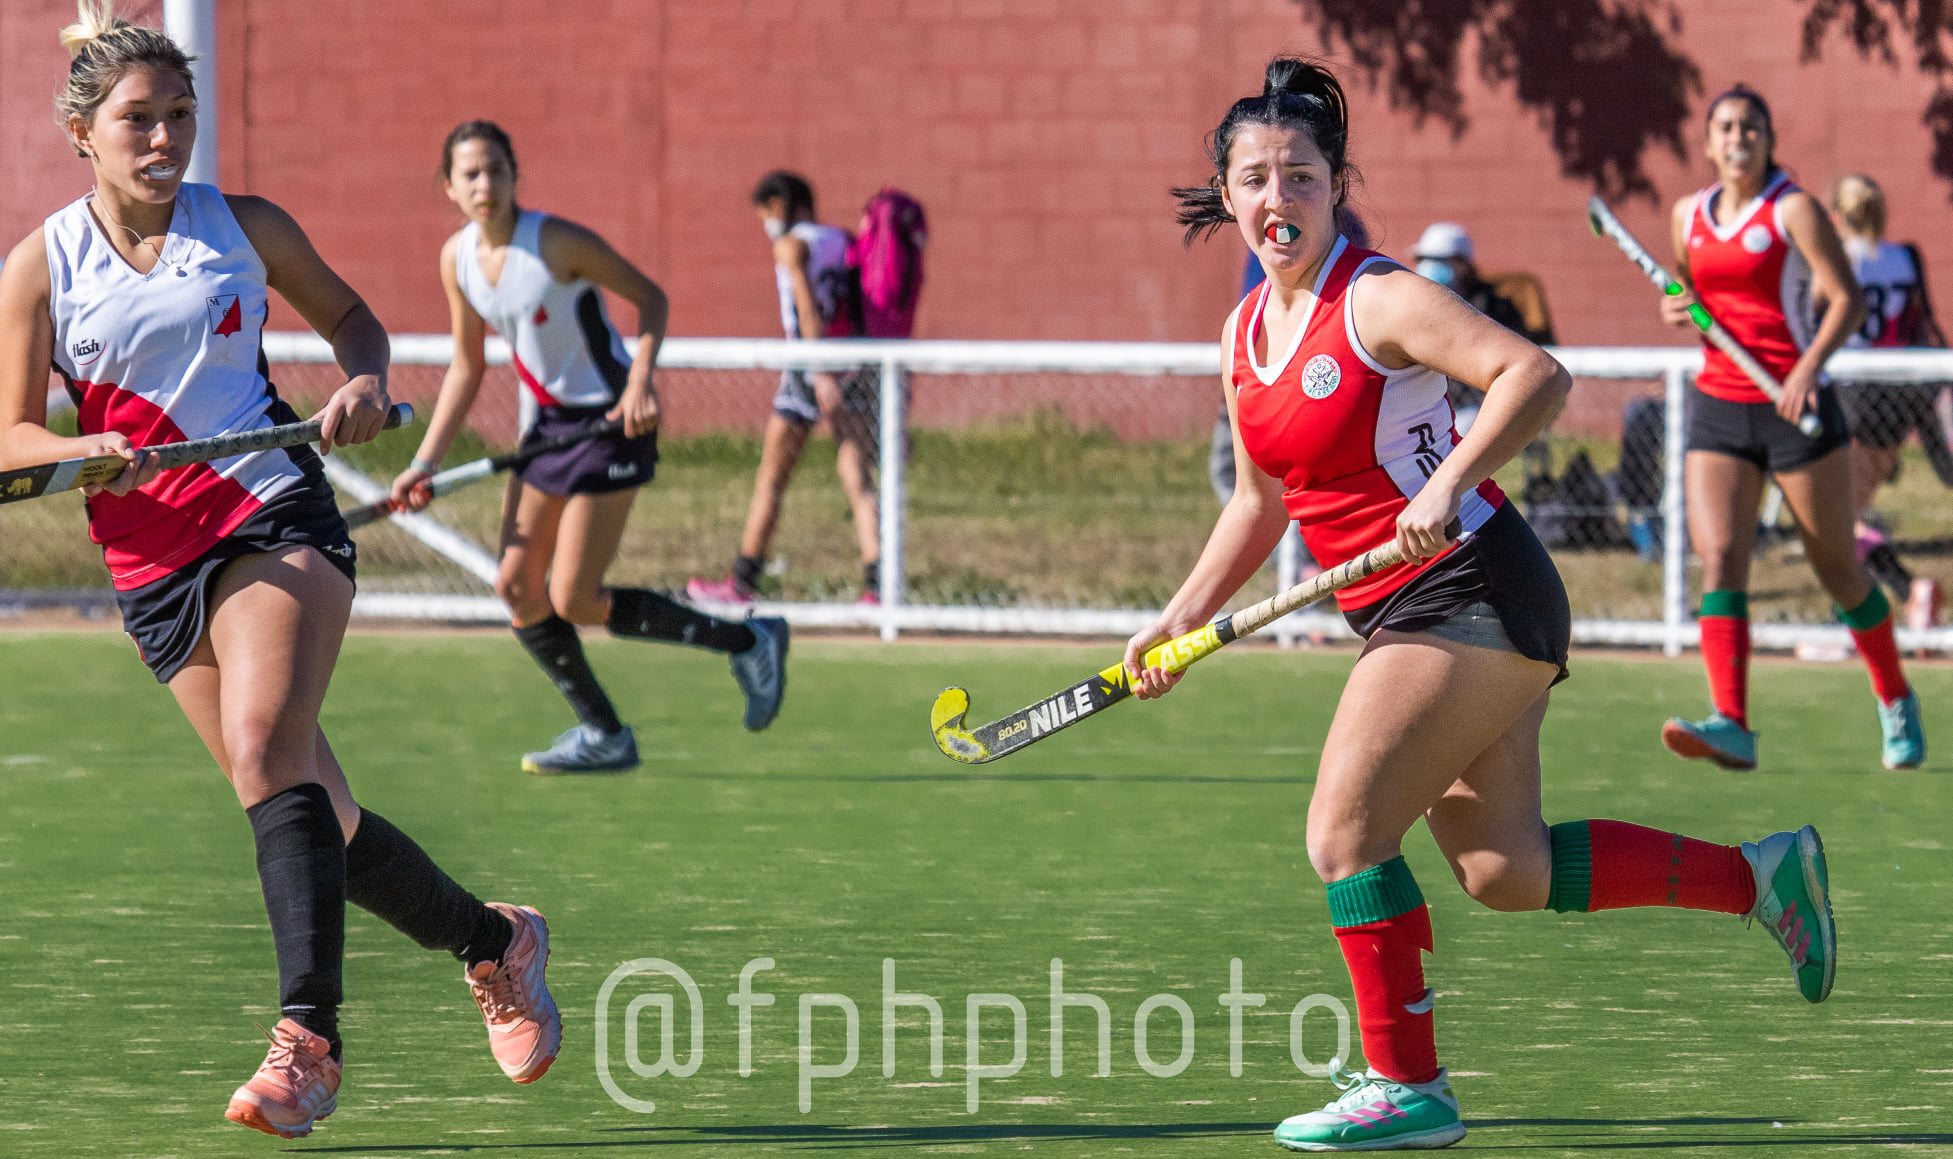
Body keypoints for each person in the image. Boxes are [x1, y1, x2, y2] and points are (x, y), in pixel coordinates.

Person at [1144, 57, 1835, 1153]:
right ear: (1225, 194)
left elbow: (1534, 375)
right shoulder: (1240, 340)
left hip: (1468, 584)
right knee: (1504, 869)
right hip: (1413, 606)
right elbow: (1262, 499)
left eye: (1303, 176)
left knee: (1344, 829)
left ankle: (1406, 1085)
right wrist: (1176, 620)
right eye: (1257, 180)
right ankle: (1760, 876)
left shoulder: (1375, 297)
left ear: (1337, 185)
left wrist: (1444, 479)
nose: (1280, 200)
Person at [0, 4, 561, 1138]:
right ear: (81, 133)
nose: (164, 141)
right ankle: (496, 942)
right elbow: (9, 437)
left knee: (268, 750)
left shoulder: (243, 225)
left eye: (179, 118)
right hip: (152, 564)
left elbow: (354, 324)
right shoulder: (38, 267)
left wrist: (358, 384)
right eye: (138, 122)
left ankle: (309, 1039)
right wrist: (75, 451)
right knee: (316, 816)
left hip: (272, 510)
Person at [389, 123, 787, 774]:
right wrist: (425, 463)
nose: (485, 185)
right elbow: (467, 365)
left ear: (515, 173)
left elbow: (649, 299)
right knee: (517, 586)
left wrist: (640, 383)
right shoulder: (456, 258)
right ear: (449, 187)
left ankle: (749, 639)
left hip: (609, 425)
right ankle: (604, 733)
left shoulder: (556, 243)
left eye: (495, 170)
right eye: (470, 175)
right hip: (548, 429)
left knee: (574, 596)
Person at [1657, 87, 1923, 771]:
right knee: (1719, 557)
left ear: (1767, 138)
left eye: (1750, 126)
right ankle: (1731, 721)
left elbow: (1847, 298)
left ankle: (1893, 694)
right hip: (1719, 403)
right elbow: (1691, 300)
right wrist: (1677, 309)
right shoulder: (1686, 214)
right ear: (1709, 143)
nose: (1737, 136)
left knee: (1836, 568)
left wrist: (1807, 366)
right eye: (1724, 127)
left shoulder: (1793, 208)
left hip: (1794, 405)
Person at [688, 171, 885, 606]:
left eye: (768, 214)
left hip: (808, 368)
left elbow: (806, 308)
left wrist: (816, 372)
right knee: (858, 480)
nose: (766, 226)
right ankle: (879, 584)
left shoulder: (791, 246)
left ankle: (742, 580)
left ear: (783, 206)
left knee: (771, 478)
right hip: (850, 364)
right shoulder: (841, 240)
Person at [1829, 172, 1944, 628]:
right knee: (1845, 514)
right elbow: (1924, 325)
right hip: (1897, 397)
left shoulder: (1834, 260)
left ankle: (1905, 591)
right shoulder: (1906, 257)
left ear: (1837, 216)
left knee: (1836, 518)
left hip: (1851, 394)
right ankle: (1857, 610)